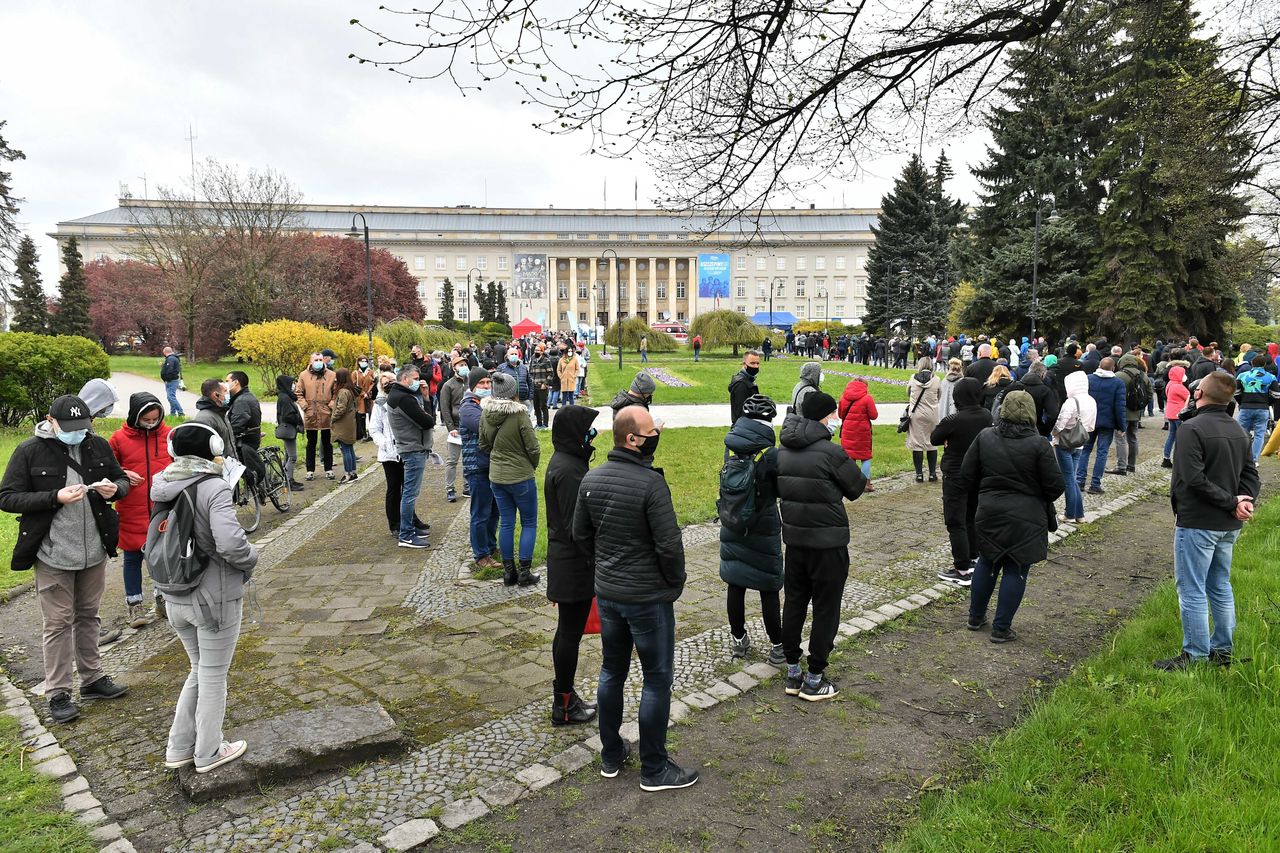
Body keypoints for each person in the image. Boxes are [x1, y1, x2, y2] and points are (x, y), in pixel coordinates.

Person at [573, 407, 695, 791]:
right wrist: (673, 583)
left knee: (612, 671)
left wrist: (606, 565)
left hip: (610, 593)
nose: (657, 433)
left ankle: (611, 753)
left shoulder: (591, 479)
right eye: (650, 431)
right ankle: (654, 769)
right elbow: (670, 546)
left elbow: (581, 534)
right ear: (631, 439)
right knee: (657, 680)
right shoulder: (650, 484)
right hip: (646, 598)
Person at [0, 394, 132, 724]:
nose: (78, 433)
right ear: (51, 421)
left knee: (89, 615)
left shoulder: (97, 444)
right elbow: (7, 497)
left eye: (83, 427)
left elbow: (121, 480)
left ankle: (92, 679)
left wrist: (114, 489)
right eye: (70, 427)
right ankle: (58, 692)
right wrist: (53, 497)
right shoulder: (30, 450)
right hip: (53, 552)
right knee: (58, 623)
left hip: (94, 550)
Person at [153, 422, 258, 773]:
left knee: (199, 671)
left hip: (175, 597)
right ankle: (209, 753)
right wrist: (252, 557)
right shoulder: (213, 486)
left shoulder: (163, 483)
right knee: (213, 676)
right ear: (213, 448)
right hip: (214, 599)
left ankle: (178, 748)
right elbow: (230, 543)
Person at [1155, 372, 1261, 670]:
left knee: (1191, 587)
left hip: (1198, 521)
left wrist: (1234, 502)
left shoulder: (1191, 428)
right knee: (1219, 584)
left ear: (1199, 393)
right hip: (1227, 524)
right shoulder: (1240, 431)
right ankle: (1221, 650)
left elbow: (1192, 478)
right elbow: (1251, 477)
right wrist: (1244, 501)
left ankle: (1195, 654)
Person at [776, 391, 867, 701]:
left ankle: (792, 671)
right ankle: (814, 677)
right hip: (828, 545)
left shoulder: (783, 450)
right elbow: (855, 488)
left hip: (796, 542)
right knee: (826, 608)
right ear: (825, 417)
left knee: (794, 603)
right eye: (832, 415)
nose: (835, 419)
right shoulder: (831, 452)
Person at [960, 391, 1065, 643]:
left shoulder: (985, 437)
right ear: (1031, 413)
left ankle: (975, 617)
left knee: (987, 562)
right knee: (1015, 568)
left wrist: (985, 491)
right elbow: (1055, 486)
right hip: (1026, 516)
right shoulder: (1039, 444)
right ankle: (1001, 628)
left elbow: (967, 474)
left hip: (990, 510)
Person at [543, 404, 602, 726]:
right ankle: (564, 705)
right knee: (569, 633)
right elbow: (575, 525)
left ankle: (565, 698)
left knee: (568, 632)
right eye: (586, 430)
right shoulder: (568, 471)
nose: (590, 435)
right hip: (573, 564)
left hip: (569, 561)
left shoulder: (569, 462)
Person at [720, 395, 785, 664]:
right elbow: (779, 489)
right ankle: (778, 645)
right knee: (768, 588)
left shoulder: (730, 447)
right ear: (770, 421)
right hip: (763, 524)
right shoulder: (770, 454)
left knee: (736, 584)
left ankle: (738, 640)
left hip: (733, 520)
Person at [108, 392, 173, 626]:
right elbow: (105, 468)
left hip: (162, 509)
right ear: (135, 416)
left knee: (161, 557)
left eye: (155, 418)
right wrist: (122, 474)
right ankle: (134, 605)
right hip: (130, 508)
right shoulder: (118, 439)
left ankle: (163, 597)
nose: (151, 423)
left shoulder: (169, 435)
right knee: (133, 558)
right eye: (146, 419)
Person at [480, 372, 542, 587]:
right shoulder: (520, 415)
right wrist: (531, 464)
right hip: (520, 476)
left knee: (506, 522)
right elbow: (533, 447)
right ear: (514, 392)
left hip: (497, 476)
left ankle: (509, 573)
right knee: (529, 522)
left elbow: (483, 445)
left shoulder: (485, 413)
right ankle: (524, 572)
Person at [931, 378, 993, 586]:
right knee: (972, 516)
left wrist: (950, 439)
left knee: (955, 521)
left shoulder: (954, 420)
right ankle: (973, 557)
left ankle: (962, 568)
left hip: (956, 474)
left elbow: (934, 438)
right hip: (977, 472)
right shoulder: (986, 416)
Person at [369, 371, 428, 537]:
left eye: (392, 381)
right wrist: (386, 444)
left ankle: (411, 520)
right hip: (390, 453)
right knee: (394, 488)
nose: (389, 384)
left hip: (407, 449)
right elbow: (374, 429)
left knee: (408, 488)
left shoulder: (405, 399)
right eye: (384, 382)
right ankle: (395, 524)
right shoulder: (379, 404)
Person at [386, 365, 436, 549]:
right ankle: (406, 534)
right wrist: (425, 402)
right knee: (409, 493)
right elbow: (427, 421)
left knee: (409, 492)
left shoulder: (400, 395)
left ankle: (409, 529)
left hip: (412, 447)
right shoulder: (403, 399)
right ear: (405, 379)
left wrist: (424, 398)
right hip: (412, 449)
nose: (419, 381)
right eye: (415, 378)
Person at [460, 369, 501, 569]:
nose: (486, 386)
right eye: (482, 383)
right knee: (480, 513)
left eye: (488, 382)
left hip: (490, 465)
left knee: (494, 511)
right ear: (473, 385)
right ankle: (481, 555)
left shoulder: (485, 405)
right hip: (477, 466)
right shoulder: (468, 407)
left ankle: (491, 546)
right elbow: (485, 428)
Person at [1050, 370, 1096, 525]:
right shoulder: (1091, 400)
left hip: (1064, 442)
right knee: (1073, 478)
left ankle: (1070, 514)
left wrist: (1053, 434)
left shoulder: (1071, 402)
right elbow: (1091, 424)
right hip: (1080, 443)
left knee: (1068, 479)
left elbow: (1061, 423)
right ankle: (1080, 514)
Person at [1077, 357, 1127, 495]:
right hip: (1107, 422)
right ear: (1113, 368)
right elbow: (1120, 407)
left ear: (1099, 365)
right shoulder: (1118, 383)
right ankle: (1095, 484)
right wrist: (1121, 426)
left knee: (1085, 450)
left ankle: (1079, 481)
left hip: (1089, 420)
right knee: (1102, 452)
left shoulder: (1088, 379)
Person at [298, 352, 336, 481]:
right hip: (311, 414)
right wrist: (305, 407)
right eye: (316, 360)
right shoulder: (303, 375)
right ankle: (310, 470)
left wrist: (330, 406)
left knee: (327, 442)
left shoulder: (331, 375)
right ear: (311, 362)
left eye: (321, 359)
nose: (319, 362)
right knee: (311, 442)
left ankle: (329, 468)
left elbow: (335, 393)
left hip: (326, 413)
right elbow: (299, 393)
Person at [1110, 351, 1150, 475]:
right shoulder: (1143, 376)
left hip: (1121, 413)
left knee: (1120, 438)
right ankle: (1131, 465)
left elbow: (1112, 394)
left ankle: (1121, 466)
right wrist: (1140, 407)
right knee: (1133, 438)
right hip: (1136, 412)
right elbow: (1149, 394)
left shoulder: (1117, 376)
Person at [1235, 355, 1280, 463]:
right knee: (1259, 434)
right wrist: (1268, 403)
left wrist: (1241, 402)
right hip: (1263, 408)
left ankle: (1239, 458)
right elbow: (1277, 395)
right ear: (1264, 365)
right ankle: (1253, 460)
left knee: (1240, 433)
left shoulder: (1242, 376)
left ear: (1251, 364)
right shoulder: (1270, 377)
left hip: (1245, 407)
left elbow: (1236, 392)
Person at [439, 355, 471, 502]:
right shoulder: (448, 385)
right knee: (452, 460)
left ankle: (467, 486)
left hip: (469, 426)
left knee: (468, 459)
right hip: (456, 429)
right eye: (460, 365)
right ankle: (450, 488)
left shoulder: (471, 382)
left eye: (465, 364)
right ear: (454, 368)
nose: (463, 366)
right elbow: (445, 408)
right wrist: (450, 427)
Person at [906, 357, 942, 482]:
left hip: (916, 414)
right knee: (931, 442)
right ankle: (932, 473)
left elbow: (908, 392)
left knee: (917, 443)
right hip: (932, 414)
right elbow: (939, 395)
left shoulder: (912, 378)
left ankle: (919, 474)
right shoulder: (936, 379)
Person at [837, 378, 878, 490]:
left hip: (847, 431)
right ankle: (866, 483)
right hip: (862, 433)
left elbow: (840, 415)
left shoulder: (843, 397)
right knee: (865, 457)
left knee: (850, 457)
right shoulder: (867, 398)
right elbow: (874, 415)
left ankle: (851, 483)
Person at [225, 371, 263, 489]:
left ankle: (253, 479)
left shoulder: (241, 400)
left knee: (230, 462)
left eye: (227, 381)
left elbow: (236, 425)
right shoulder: (246, 396)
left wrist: (224, 435)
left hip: (245, 441)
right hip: (250, 438)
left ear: (236, 383)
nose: (225, 385)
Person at [193, 379, 237, 465]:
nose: (228, 394)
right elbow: (203, 450)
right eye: (225, 391)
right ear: (215, 395)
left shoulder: (221, 413)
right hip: (218, 471)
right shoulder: (205, 418)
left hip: (229, 469)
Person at [274, 375, 305, 490]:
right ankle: (289, 480)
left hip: (287, 429)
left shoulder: (284, 396)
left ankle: (284, 478)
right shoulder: (285, 398)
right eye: (292, 383)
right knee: (292, 457)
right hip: (289, 429)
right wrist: (297, 418)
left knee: (287, 455)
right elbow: (287, 416)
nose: (294, 385)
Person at [330, 368, 359, 484]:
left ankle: (348, 474)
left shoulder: (342, 392)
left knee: (345, 449)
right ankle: (353, 472)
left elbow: (341, 408)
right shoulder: (351, 390)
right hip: (349, 424)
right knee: (350, 448)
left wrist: (333, 418)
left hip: (342, 425)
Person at [1161, 364, 1190, 467]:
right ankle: (1179, 459)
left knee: (1171, 436)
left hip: (1171, 413)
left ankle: (1166, 457)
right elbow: (1189, 396)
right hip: (1179, 414)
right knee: (1181, 438)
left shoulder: (1170, 384)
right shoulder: (1178, 386)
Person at [495, 347, 533, 420]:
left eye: (516, 354)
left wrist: (530, 396)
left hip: (523, 399)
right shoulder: (501, 367)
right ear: (507, 356)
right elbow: (496, 383)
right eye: (512, 354)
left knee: (524, 419)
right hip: (508, 400)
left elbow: (529, 382)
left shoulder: (523, 367)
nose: (514, 355)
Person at [728, 351, 762, 423]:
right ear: (744, 364)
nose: (756, 366)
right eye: (752, 363)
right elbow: (741, 412)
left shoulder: (748, 381)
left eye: (757, 363)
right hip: (743, 428)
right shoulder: (741, 384)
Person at [528, 344, 554, 430]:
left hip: (543, 387)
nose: (536, 352)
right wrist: (531, 381)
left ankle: (545, 424)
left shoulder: (546, 360)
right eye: (535, 350)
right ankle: (539, 423)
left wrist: (545, 383)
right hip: (534, 386)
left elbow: (551, 374)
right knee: (536, 406)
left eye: (538, 350)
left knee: (543, 406)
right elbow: (530, 372)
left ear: (542, 352)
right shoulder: (533, 360)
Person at [353, 355, 376, 441]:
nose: (363, 363)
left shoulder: (371, 372)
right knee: (361, 415)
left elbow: (373, 383)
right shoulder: (355, 373)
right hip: (360, 397)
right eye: (362, 361)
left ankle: (372, 433)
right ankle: (363, 435)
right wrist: (362, 393)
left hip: (369, 397)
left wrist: (368, 392)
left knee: (371, 414)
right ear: (358, 362)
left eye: (365, 361)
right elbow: (354, 385)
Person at [160, 346, 185, 416]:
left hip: (171, 381)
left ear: (165, 352)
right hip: (172, 380)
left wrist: (167, 379)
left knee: (171, 397)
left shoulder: (170, 359)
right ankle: (172, 413)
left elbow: (170, 370)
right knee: (171, 397)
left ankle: (180, 412)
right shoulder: (173, 358)